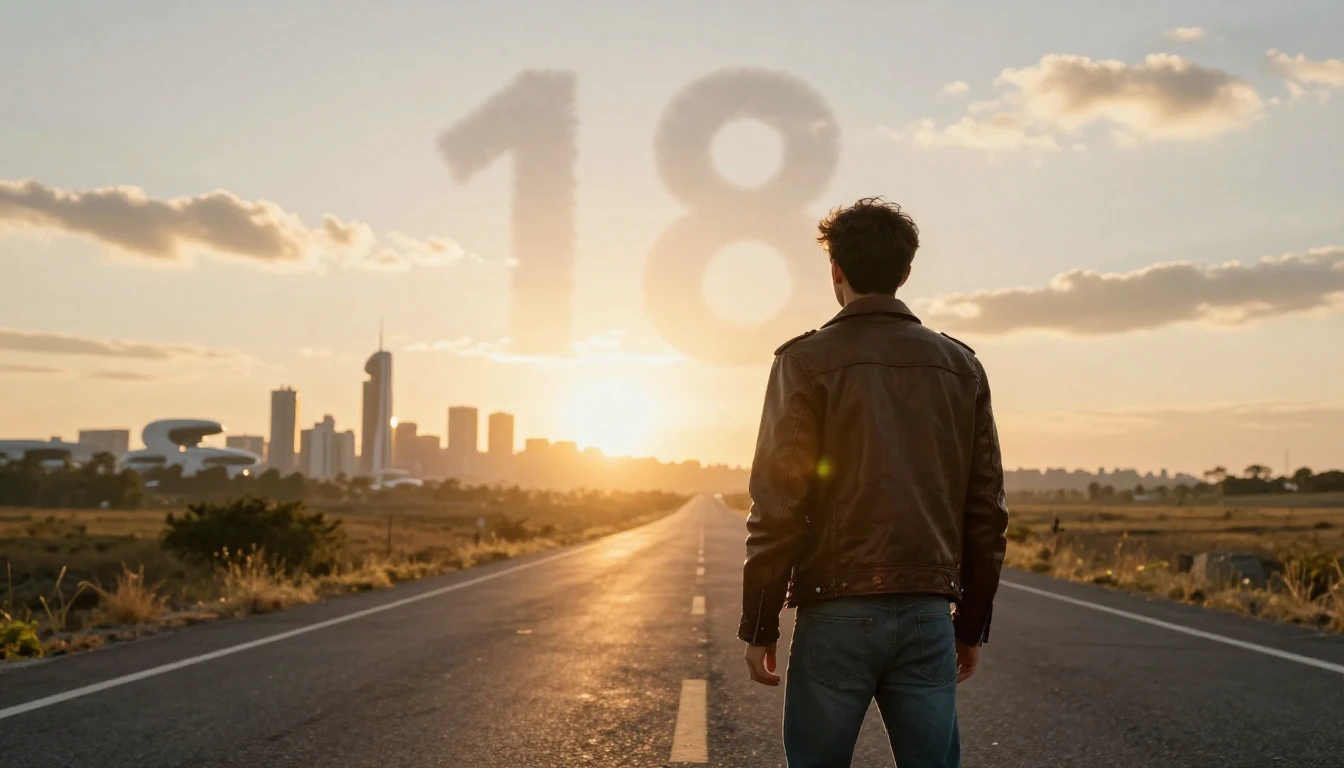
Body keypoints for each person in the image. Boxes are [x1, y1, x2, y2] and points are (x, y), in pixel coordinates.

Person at [738, 197, 1009, 767]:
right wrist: (969, 626)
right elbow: (986, 511)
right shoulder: (962, 366)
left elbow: (778, 505)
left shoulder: (803, 361)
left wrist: (760, 624)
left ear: (835, 270)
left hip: (834, 612)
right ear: (905, 272)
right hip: (928, 615)